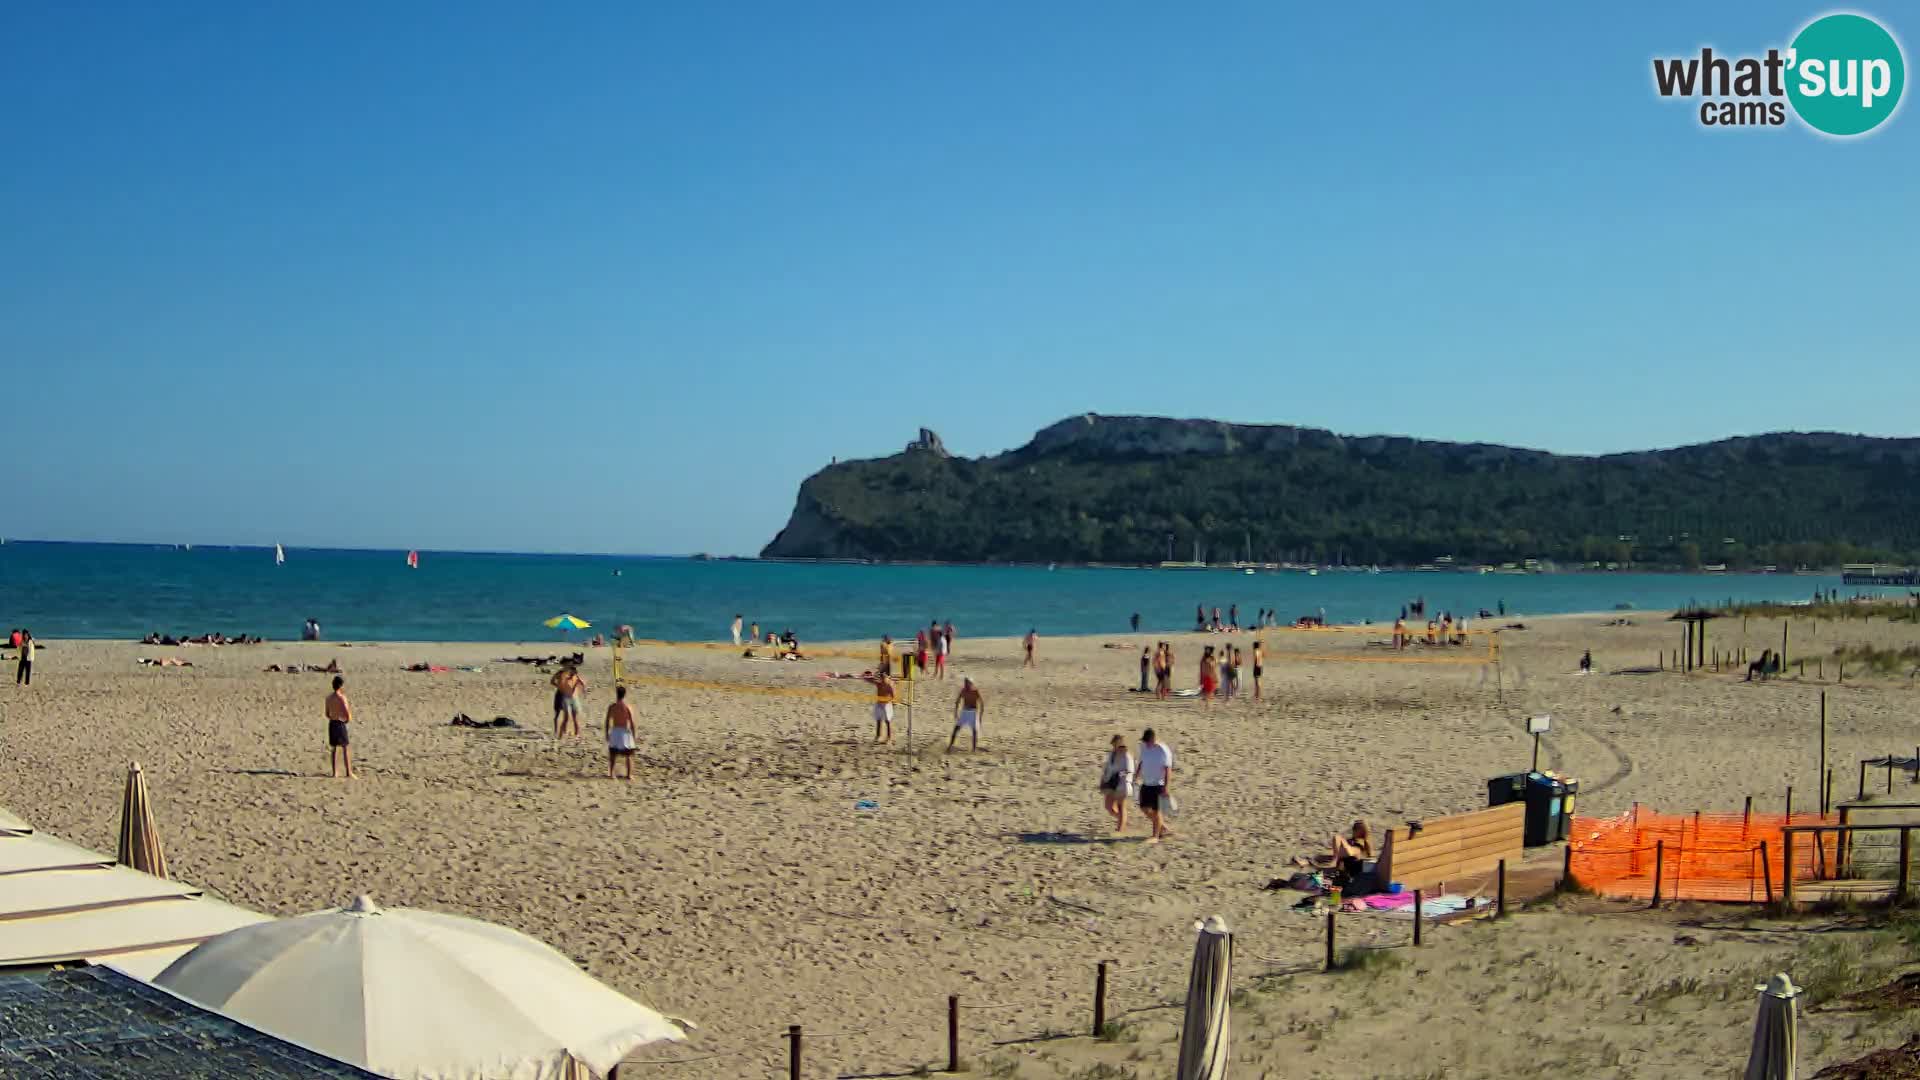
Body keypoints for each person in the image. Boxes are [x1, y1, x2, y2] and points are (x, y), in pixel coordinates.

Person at [1137, 728, 1174, 842]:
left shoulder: (1163, 750)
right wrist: (1136, 775)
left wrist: (1166, 787)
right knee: (1144, 808)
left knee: (1156, 810)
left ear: (1153, 739)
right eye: (1145, 741)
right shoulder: (1144, 748)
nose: (1146, 744)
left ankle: (1155, 836)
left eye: (1147, 741)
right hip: (1146, 783)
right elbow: (1141, 762)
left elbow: (1168, 769)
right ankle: (1162, 827)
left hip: (1158, 784)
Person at [1100, 735, 1135, 833]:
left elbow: (1130, 770)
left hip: (1123, 784)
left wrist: (1119, 775)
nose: (1114, 747)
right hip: (1111, 783)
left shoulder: (1127, 755)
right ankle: (1123, 821)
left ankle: (1120, 829)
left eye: (1116, 744)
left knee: (1121, 806)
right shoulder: (1111, 754)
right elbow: (1107, 768)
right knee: (1109, 806)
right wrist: (1103, 779)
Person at [606, 685, 637, 780]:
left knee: (613, 754)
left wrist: (606, 733)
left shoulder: (612, 707)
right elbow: (632, 722)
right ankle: (629, 775)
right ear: (625, 694)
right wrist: (634, 734)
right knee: (628, 754)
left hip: (615, 730)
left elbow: (607, 721)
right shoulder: (627, 707)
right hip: (624, 731)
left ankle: (612, 773)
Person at [325, 675, 353, 779]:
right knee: (345, 747)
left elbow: (327, 714)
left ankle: (335, 772)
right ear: (341, 686)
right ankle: (348, 772)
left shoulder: (329, 698)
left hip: (332, 723)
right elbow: (347, 713)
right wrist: (347, 720)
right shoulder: (342, 698)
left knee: (334, 748)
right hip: (340, 723)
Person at [550, 665, 587, 738]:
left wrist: (578, 679)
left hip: (573, 698)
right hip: (565, 697)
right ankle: (560, 732)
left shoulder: (575, 678)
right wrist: (559, 686)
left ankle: (576, 734)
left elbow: (583, 685)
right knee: (564, 717)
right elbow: (554, 681)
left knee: (575, 717)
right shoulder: (563, 676)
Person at [949, 678, 984, 752]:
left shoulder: (975, 691)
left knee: (974, 731)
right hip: (964, 711)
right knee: (956, 729)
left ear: (971, 683)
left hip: (973, 712)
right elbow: (957, 701)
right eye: (965, 683)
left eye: (967, 683)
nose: (965, 684)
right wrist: (956, 712)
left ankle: (974, 749)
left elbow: (981, 703)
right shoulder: (963, 691)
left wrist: (980, 716)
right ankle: (950, 746)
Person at [870, 670, 897, 745]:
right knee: (878, 720)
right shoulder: (879, 682)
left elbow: (893, 694)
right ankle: (878, 736)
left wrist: (893, 702)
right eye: (881, 675)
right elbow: (871, 680)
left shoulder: (889, 684)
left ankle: (889, 738)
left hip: (886, 703)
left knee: (887, 721)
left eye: (883, 675)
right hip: (879, 703)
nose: (882, 676)